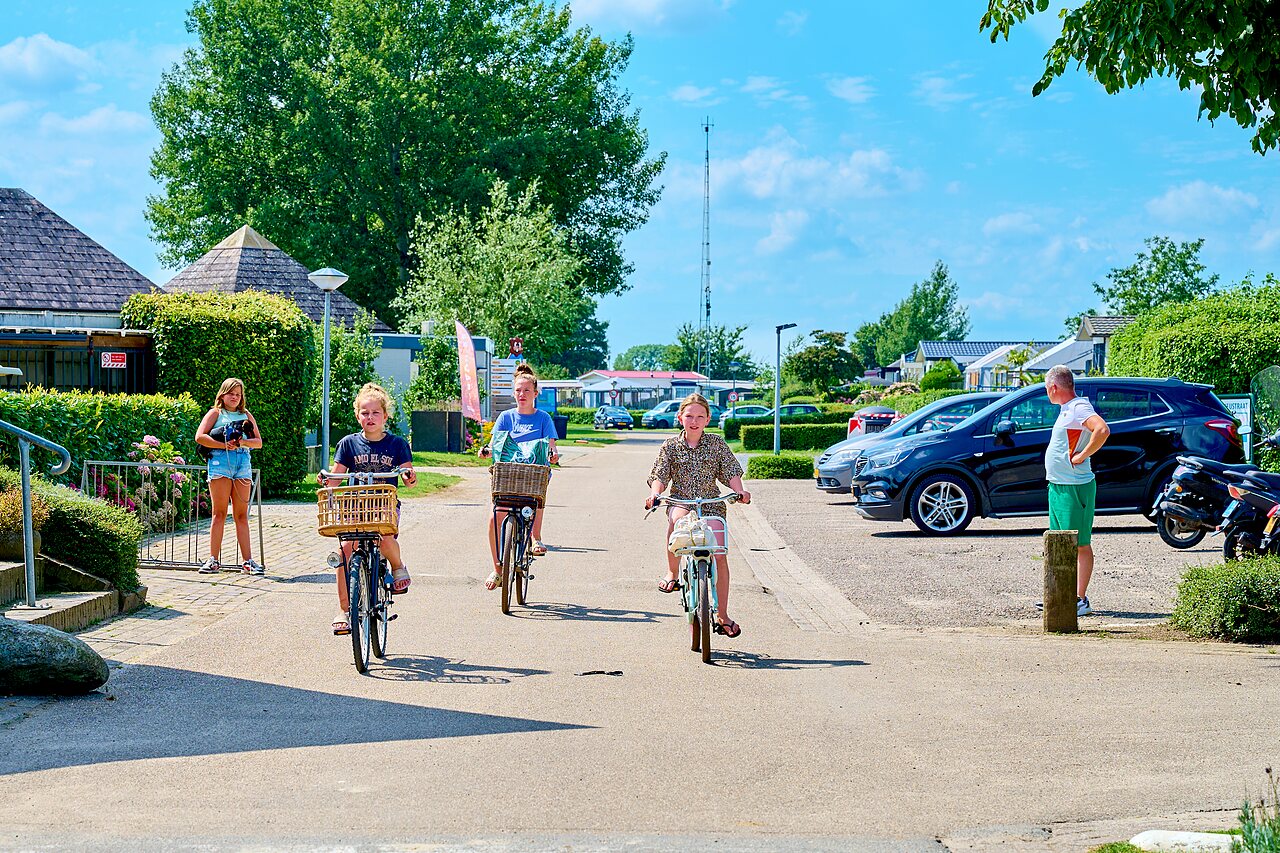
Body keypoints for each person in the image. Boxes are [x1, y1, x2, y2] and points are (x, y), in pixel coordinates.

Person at [645, 392, 751, 638]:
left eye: (700, 416)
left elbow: (731, 470)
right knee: (676, 521)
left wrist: (740, 491)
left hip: (712, 503)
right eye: (689, 415)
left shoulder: (716, 444)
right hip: (681, 500)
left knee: (720, 556)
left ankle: (722, 615)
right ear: (680, 417)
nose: (694, 421)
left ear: (708, 419)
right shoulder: (670, 446)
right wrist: (655, 495)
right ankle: (672, 573)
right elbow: (660, 475)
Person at [324, 382, 417, 635]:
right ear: (357, 416)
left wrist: (408, 475)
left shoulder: (397, 444)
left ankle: (397, 566)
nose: (370, 417)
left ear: (385, 416)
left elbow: (408, 472)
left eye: (376, 413)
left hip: (384, 507)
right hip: (355, 507)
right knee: (344, 550)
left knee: (384, 538)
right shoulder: (348, 444)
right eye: (365, 413)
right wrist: (326, 481)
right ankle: (343, 610)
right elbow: (336, 477)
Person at [479, 362, 559, 590]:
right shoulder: (506, 417)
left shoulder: (543, 418)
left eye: (526, 390)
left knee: (538, 498)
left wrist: (553, 454)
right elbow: (494, 443)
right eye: (518, 390)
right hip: (508, 475)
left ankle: (536, 537)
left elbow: (551, 446)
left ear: (535, 393)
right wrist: (486, 450)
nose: (521, 395)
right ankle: (497, 569)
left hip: (533, 474)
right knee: (495, 517)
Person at [1044, 364, 1110, 617]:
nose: (1047, 393)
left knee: (1079, 543)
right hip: (1059, 485)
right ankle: (1061, 595)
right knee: (1060, 542)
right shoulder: (1066, 410)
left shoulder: (1078, 407)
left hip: (1075, 486)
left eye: (1047, 389)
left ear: (1054, 387)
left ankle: (1080, 599)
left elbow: (1102, 429)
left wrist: (1083, 454)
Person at [195, 377, 265, 575]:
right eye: (231, 393)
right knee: (219, 513)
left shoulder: (246, 414)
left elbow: (258, 442)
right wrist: (223, 445)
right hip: (220, 463)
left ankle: (248, 561)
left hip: (242, 463)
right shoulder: (215, 413)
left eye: (238, 394)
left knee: (241, 515)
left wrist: (242, 442)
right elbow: (200, 436)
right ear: (222, 394)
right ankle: (213, 560)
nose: (234, 397)